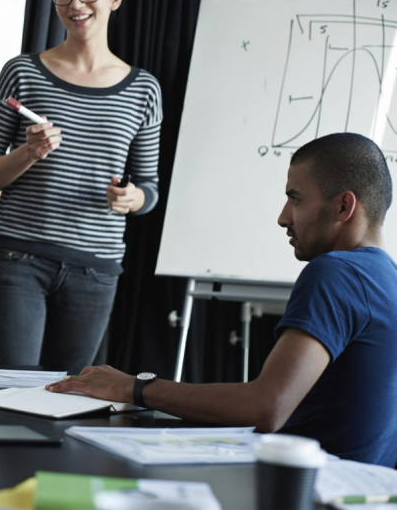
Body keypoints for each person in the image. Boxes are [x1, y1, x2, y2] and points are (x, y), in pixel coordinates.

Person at [49, 132, 397, 467]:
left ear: (343, 206)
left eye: (296, 199)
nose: (283, 217)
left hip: (307, 490)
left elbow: (267, 408)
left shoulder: (338, 272)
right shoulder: (387, 279)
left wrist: (133, 387)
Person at [0, 0, 162, 374]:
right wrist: (27, 153)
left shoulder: (144, 89)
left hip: (96, 270)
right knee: (10, 390)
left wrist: (133, 199)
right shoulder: (21, 72)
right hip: (19, 260)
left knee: (68, 398)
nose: (75, 4)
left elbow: (149, 189)